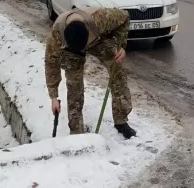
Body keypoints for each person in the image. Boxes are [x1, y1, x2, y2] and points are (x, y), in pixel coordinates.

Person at [44, 7, 137, 139]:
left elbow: (125, 17)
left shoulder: (101, 18)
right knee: (74, 86)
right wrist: (53, 96)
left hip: (98, 40)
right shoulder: (57, 35)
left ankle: (121, 121)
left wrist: (122, 45)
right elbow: (51, 64)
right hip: (71, 51)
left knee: (118, 74)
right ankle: (76, 130)